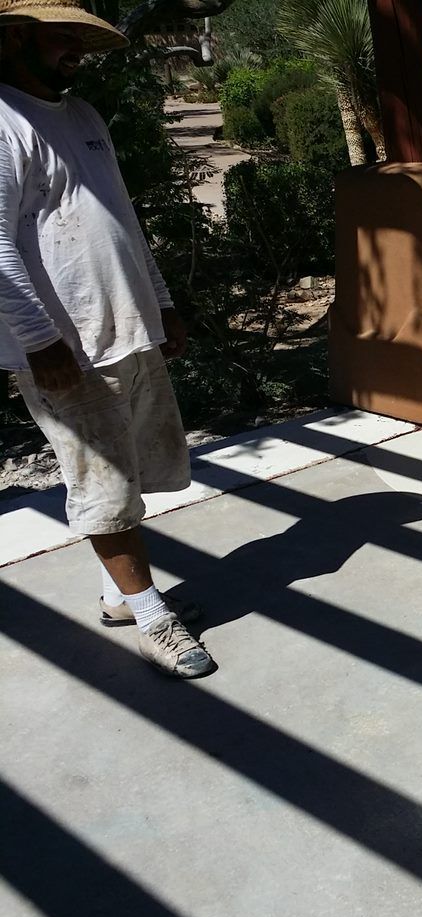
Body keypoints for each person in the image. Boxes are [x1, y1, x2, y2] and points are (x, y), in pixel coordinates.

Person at [0, 0, 212, 677]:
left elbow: (117, 214)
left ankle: (119, 596)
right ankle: (153, 618)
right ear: (13, 39)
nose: (75, 53)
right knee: (104, 484)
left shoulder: (83, 117)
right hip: (63, 347)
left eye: (78, 42)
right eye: (60, 40)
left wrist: (164, 304)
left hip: (124, 328)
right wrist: (39, 340)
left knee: (136, 470)